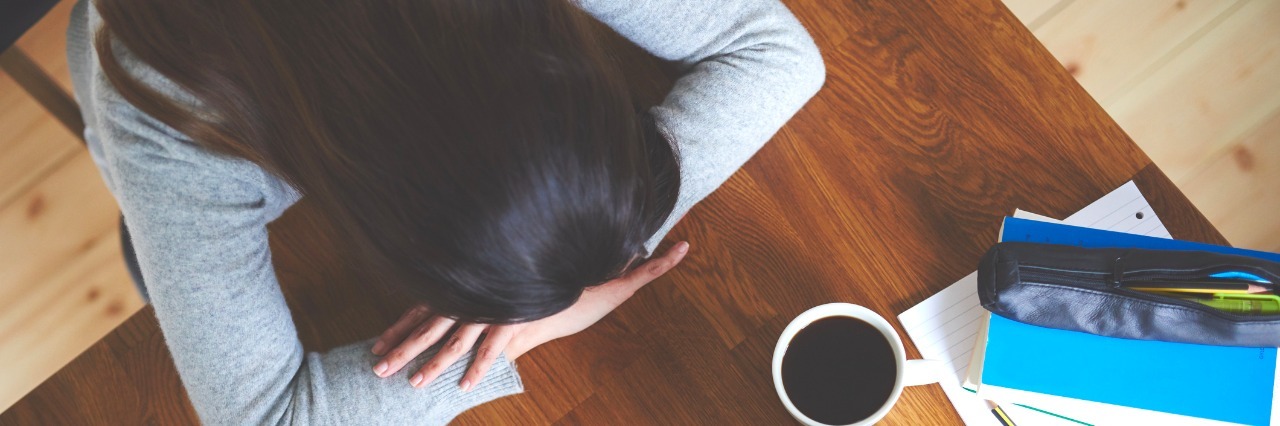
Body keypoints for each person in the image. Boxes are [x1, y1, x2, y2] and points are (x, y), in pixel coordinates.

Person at [67, 0, 823, 423]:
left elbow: (775, 53)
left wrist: (580, 245)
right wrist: (527, 329)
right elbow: (261, 419)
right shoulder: (168, 124)